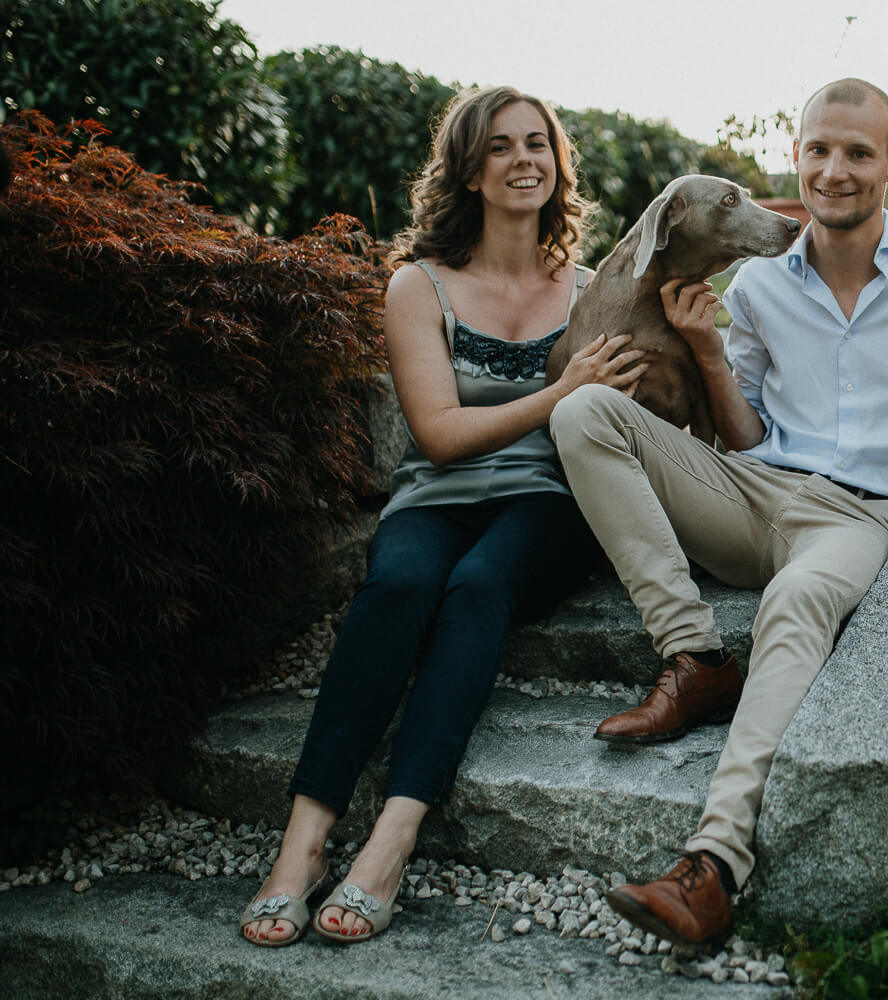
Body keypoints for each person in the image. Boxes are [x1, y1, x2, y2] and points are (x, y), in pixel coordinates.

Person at [548, 77, 888, 948]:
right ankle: (698, 657)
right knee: (581, 410)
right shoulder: (755, 290)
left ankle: (711, 866)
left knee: (797, 601)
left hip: (858, 521)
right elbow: (741, 435)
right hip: (752, 494)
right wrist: (710, 353)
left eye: (858, 153)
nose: (835, 171)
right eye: (819, 150)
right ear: (797, 157)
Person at [238, 85, 645, 947]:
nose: (525, 159)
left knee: (477, 587)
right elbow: (440, 435)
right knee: (398, 583)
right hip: (438, 491)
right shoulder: (418, 286)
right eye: (501, 146)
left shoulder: (590, 289)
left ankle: (391, 840)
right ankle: (301, 848)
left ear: (559, 164)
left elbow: (628, 417)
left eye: (540, 143)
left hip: (550, 501)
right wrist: (560, 392)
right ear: (467, 168)